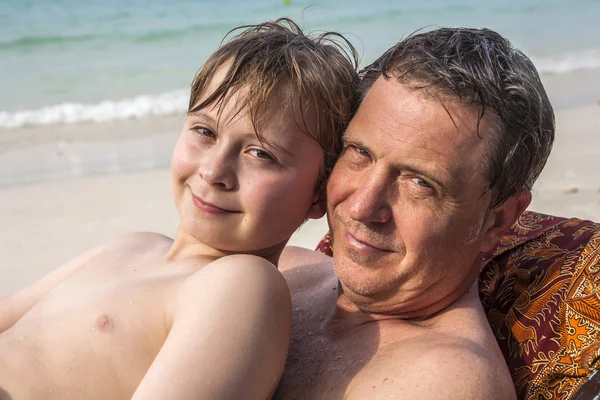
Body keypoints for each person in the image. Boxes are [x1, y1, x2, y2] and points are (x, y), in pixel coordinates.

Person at [0, 19, 358, 399]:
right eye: (204, 131)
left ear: (320, 195)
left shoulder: (242, 284)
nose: (213, 171)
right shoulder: (131, 245)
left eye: (261, 154)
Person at [274, 27, 555, 399]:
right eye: (360, 152)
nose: (361, 207)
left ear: (497, 220)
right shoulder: (283, 273)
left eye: (420, 183)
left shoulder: (444, 382)